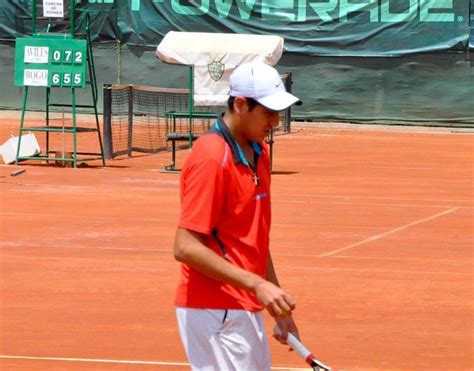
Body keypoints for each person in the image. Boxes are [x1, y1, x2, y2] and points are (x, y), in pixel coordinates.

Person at [173, 62, 302, 371]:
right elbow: (185, 247)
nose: (276, 121)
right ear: (241, 105)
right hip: (215, 310)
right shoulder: (211, 158)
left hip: (242, 304)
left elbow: (253, 240)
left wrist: (281, 313)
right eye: (269, 113)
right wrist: (257, 285)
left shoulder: (258, 152)